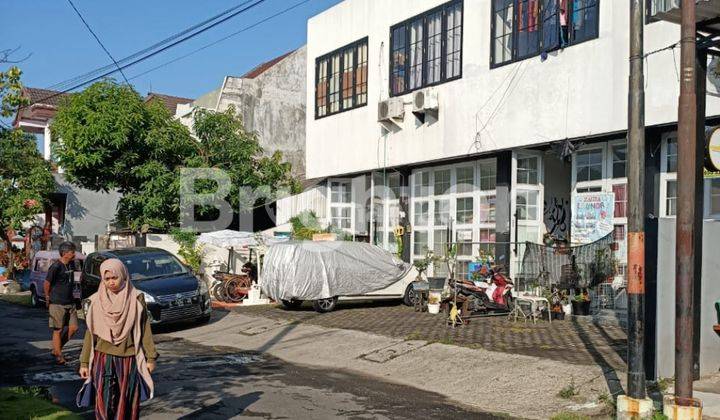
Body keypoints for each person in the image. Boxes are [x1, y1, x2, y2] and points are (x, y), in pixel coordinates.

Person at [77, 258, 157, 419]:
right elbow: (90, 333)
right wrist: (84, 362)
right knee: (104, 401)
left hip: (129, 358)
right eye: (107, 279)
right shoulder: (95, 301)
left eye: (115, 278)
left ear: (123, 276)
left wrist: (151, 357)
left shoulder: (136, 299)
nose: (111, 282)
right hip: (103, 358)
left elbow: (144, 329)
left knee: (127, 401)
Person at [44, 241, 79, 365]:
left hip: (70, 302)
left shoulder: (71, 264)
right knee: (58, 329)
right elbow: (47, 283)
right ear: (64, 253)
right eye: (72, 252)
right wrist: (48, 298)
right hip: (57, 302)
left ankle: (56, 348)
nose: (74, 254)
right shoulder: (55, 267)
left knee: (74, 328)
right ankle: (59, 355)